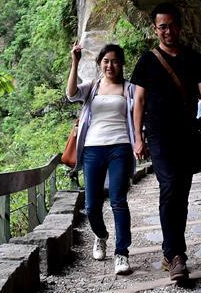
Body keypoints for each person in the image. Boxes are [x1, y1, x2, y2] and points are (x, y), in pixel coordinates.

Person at [131, 3, 201, 281]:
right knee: (169, 188)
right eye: (162, 26)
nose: (168, 31)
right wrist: (138, 137)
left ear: (180, 26)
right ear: (155, 29)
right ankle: (175, 254)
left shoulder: (193, 58)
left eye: (172, 25)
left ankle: (173, 253)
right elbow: (139, 100)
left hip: (187, 134)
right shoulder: (147, 61)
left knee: (182, 193)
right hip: (159, 135)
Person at [66, 42, 136, 276]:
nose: (110, 65)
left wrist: (140, 141)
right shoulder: (92, 87)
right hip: (92, 148)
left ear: (121, 64)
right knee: (91, 205)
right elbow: (71, 94)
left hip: (120, 147)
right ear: (99, 63)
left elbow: (139, 112)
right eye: (106, 61)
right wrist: (75, 62)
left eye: (115, 61)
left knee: (118, 201)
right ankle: (101, 235)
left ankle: (122, 253)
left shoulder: (129, 89)